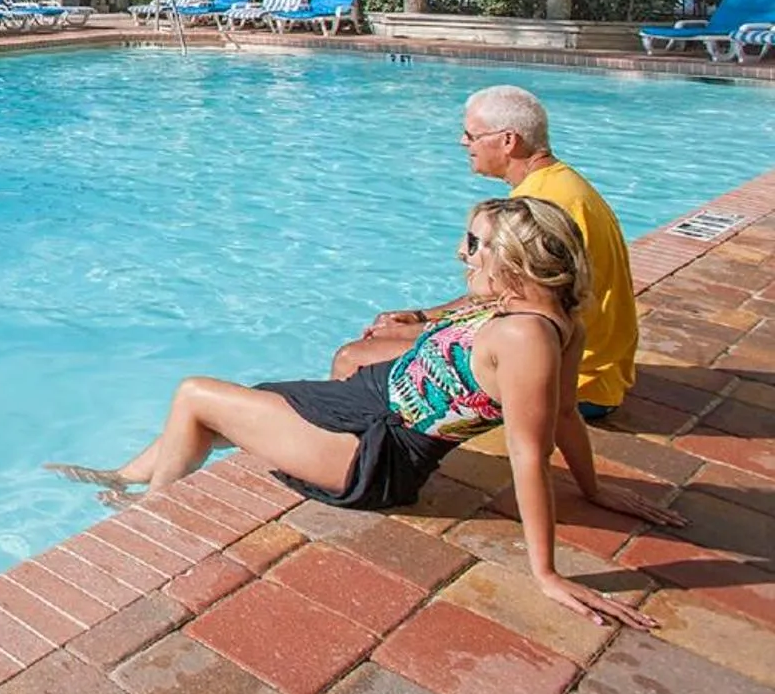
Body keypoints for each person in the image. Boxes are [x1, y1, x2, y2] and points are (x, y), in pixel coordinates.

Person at [47, 197, 682, 628]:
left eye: (474, 244)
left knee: (196, 395)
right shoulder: (556, 314)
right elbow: (570, 412)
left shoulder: (525, 338)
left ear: (512, 258)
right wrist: (596, 491)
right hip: (373, 399)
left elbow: (531, 451)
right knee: (240, 398)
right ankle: (126, 476)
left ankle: (148, 515)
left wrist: (545, 572)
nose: (464, 255)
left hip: (378, 450)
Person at [331, 85, 638, 418]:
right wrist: (423, 318)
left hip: (571, 382)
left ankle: (345, 456)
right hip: (598, 371)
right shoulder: (562, 185)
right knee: (393, 339)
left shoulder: (534, 210)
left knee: (353, 357)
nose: (463, 143)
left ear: (508, 141)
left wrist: (419, 329)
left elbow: (513, 312)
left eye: (471, 135)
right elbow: (512, 295)